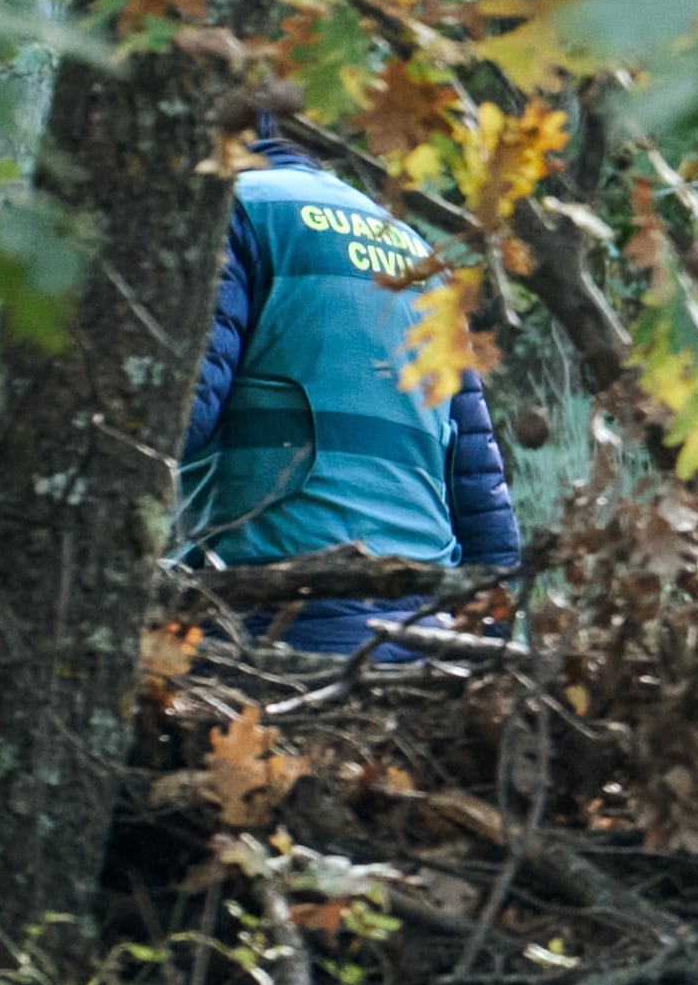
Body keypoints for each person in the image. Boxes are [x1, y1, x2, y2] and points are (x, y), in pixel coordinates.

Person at [176, 128, 525, 658]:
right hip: (421, 623)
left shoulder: (236, 210)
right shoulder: (419, 252)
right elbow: (479, 488)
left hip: (269, 615)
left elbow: (180, 414)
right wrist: (489, 645)